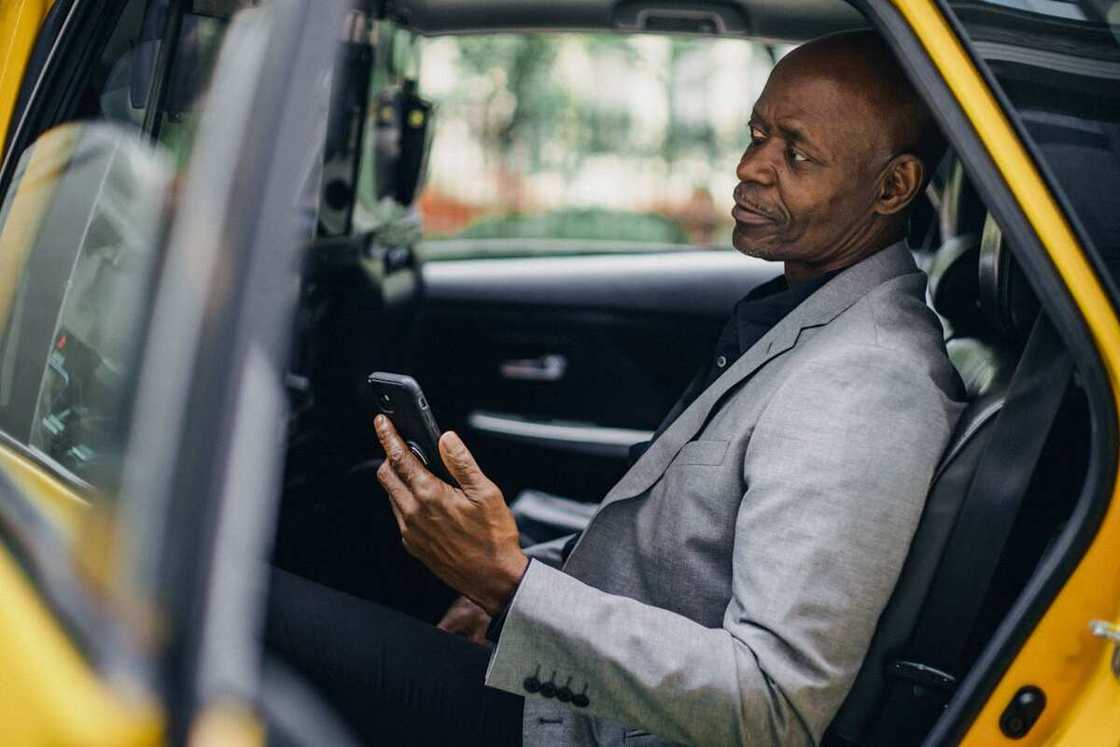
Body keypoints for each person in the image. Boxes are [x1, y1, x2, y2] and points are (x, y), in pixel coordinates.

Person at [266, 29, 964, 746]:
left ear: (893, 187)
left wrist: (512, 586)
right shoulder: (801, 308)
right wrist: (510, 591)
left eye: (795, 152)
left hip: (589, 728)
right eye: (756, 133)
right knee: (349, 511)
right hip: (575, 671)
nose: (749, 167)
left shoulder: (866, 383)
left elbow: (772, 703)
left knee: (248, 612)